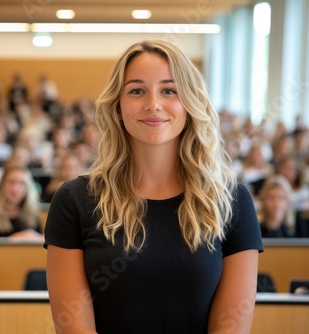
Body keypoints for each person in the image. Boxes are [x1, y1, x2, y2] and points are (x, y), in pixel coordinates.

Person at [44, 40, 263, 334]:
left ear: (190, 103)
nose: (153, 104)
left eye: (169, 90)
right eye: (136, 90)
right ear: (118, 107)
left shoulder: (232, 200)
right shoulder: (74, 200)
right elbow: (73, 328)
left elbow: (231, 329)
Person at [0, 166, 42, 254]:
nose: (15, 189)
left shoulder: (33, 217)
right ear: (2, 185)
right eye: (11, 182)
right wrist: (14, 239)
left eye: (22, 183)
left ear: (27, 188)